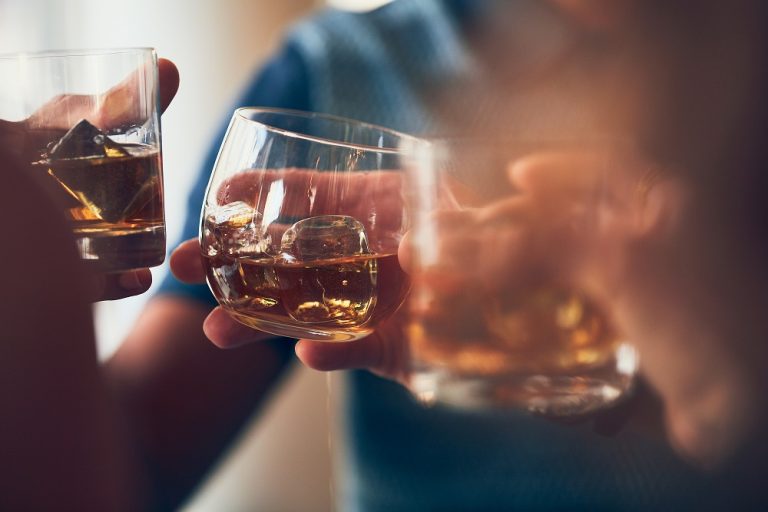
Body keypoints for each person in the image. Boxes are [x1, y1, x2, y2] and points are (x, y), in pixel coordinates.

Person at [161, 0, 768, 510]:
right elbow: (139, 457)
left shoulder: (737, 61)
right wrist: (64, 272)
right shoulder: (330, 66)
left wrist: (680, 365)